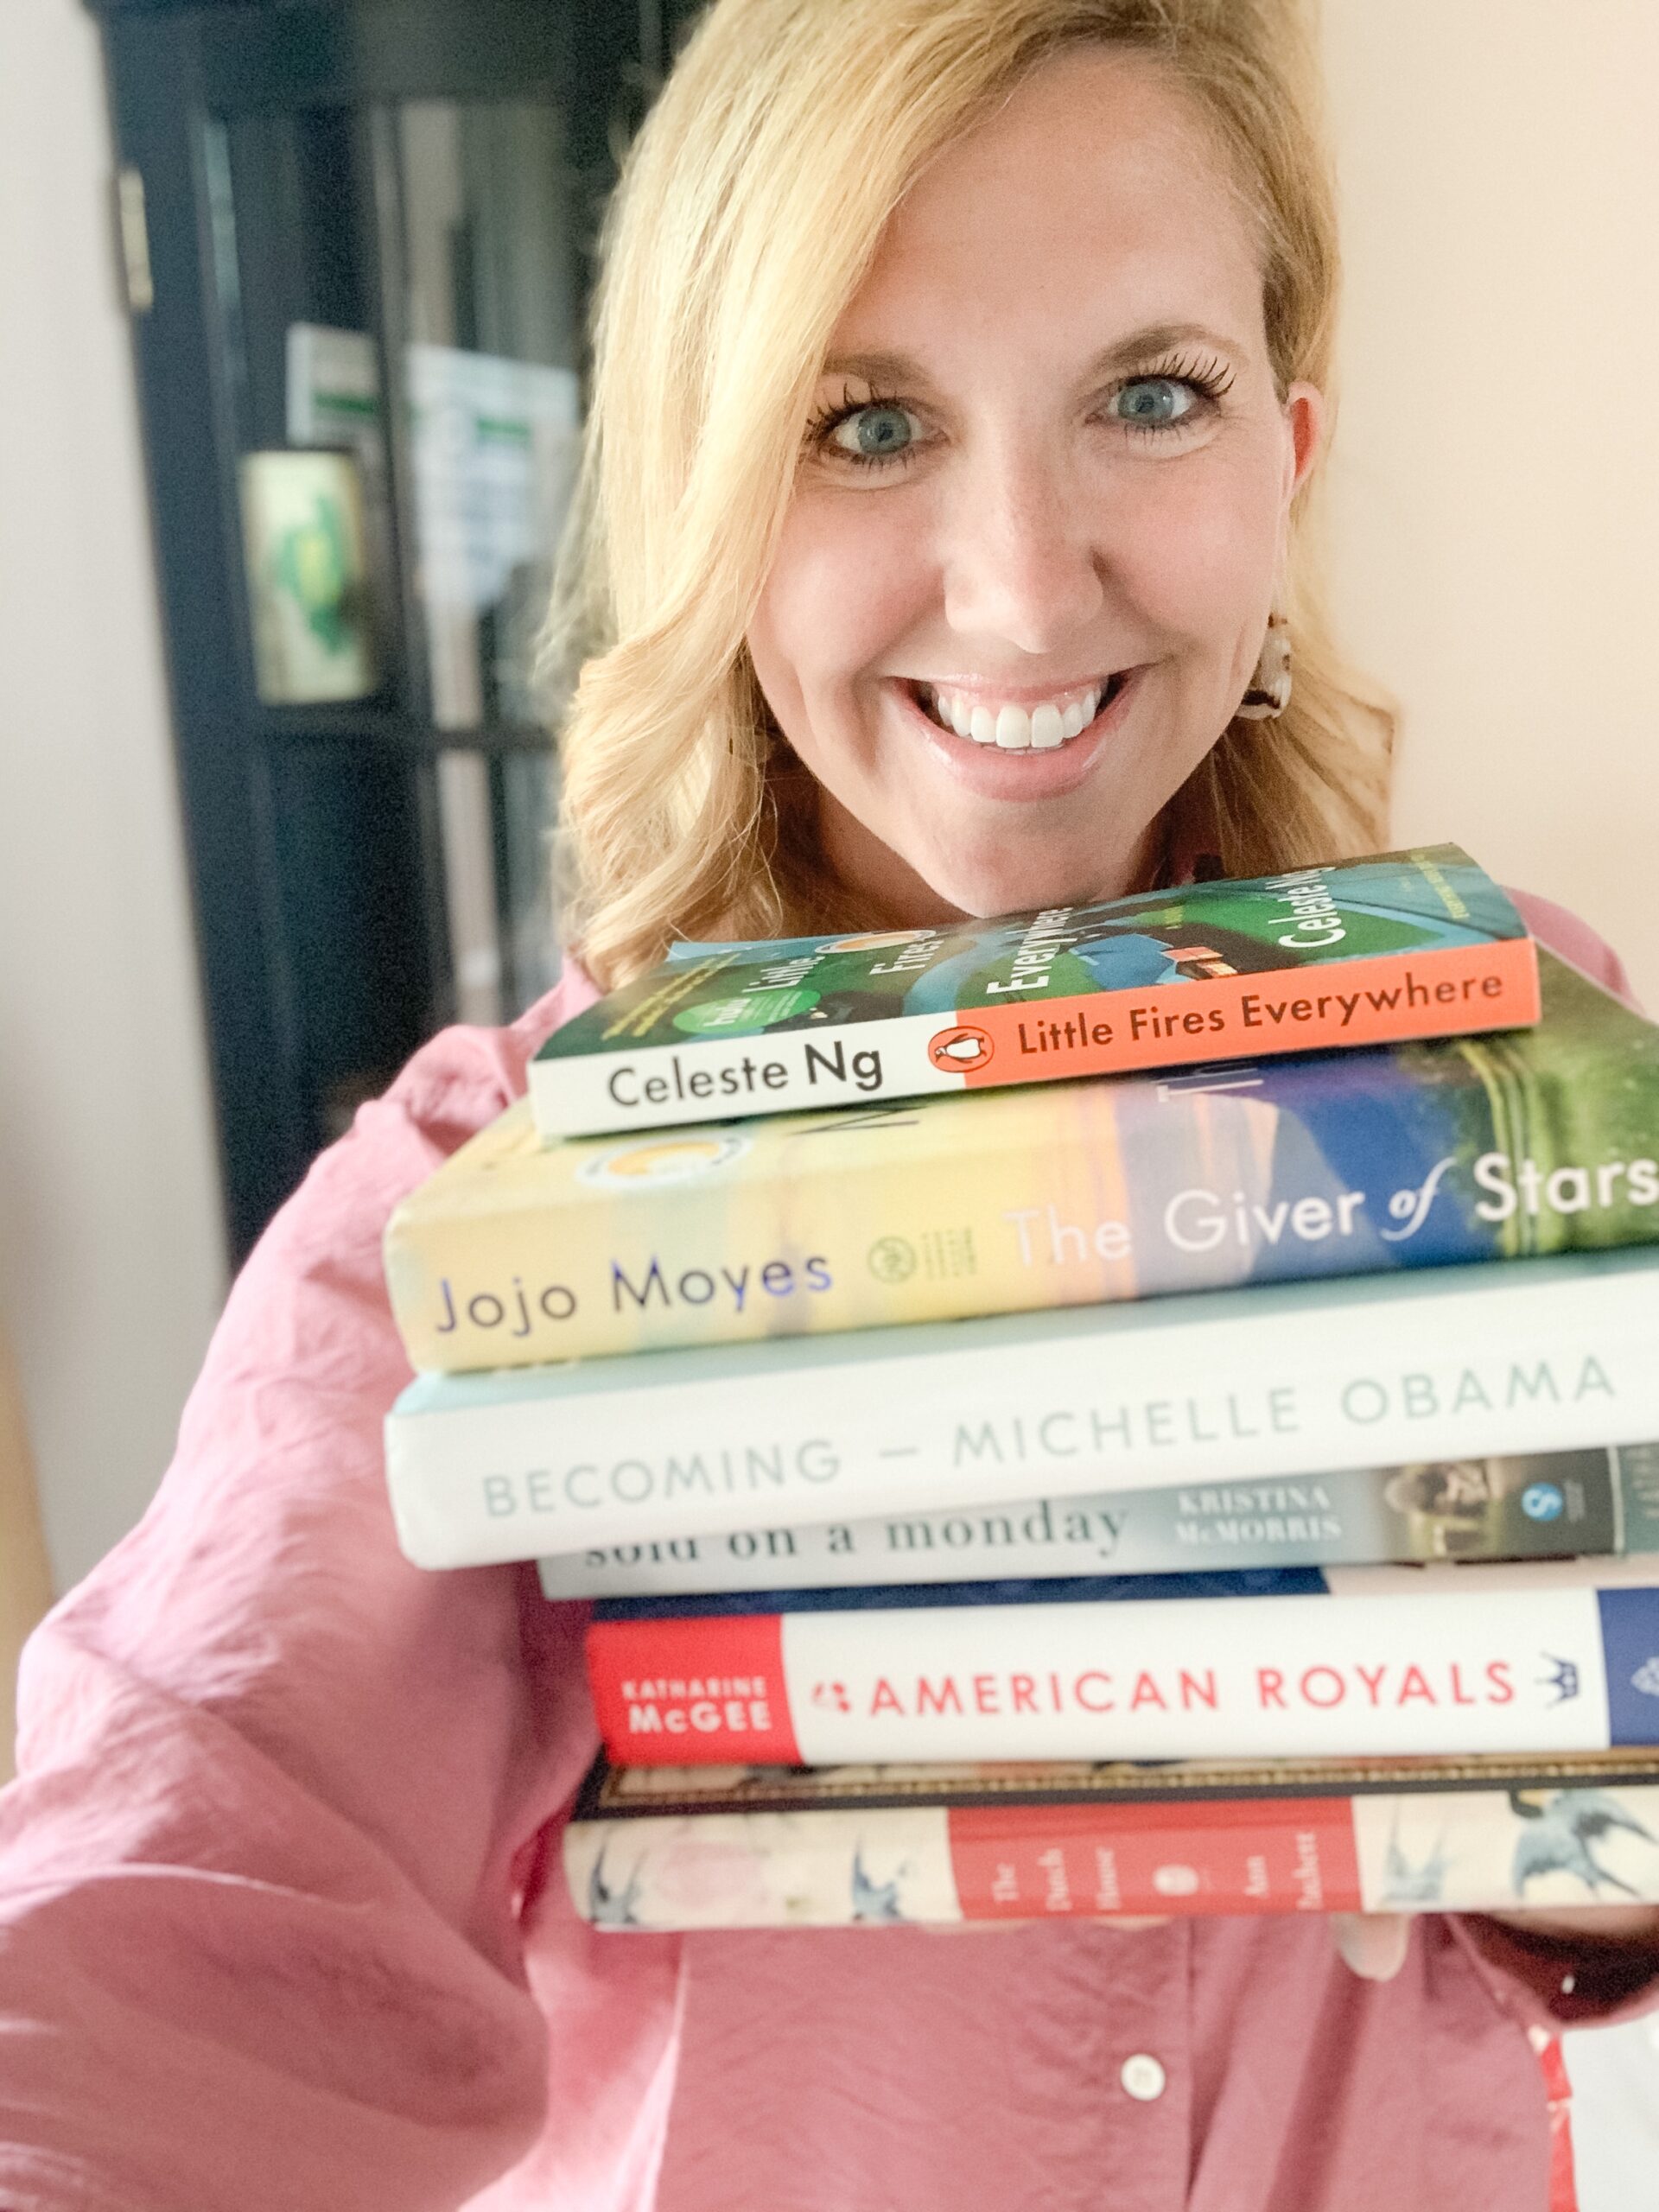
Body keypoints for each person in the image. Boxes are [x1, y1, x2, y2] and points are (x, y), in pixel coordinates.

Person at [1, 3, 1652, 2208]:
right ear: (711, 493)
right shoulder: (477, 1206)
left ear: (1293, 449)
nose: (1019, 584)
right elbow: (177, 1875)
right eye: (865, 423)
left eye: (1149, 394)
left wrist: (1585, 1822)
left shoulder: (1518, 1037)